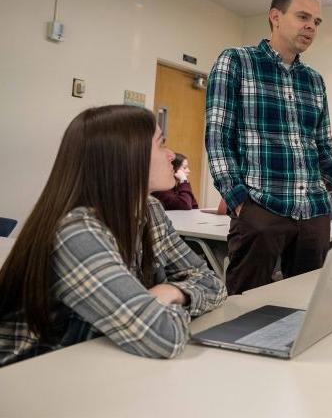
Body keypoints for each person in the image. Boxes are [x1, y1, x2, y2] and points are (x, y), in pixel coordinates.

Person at [0, 105, 227, 367]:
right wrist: (163, 304)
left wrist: (171, 291)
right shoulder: (78, 232)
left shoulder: (149, 209)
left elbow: (214, 283)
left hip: (93, 363)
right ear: (125, 158)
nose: (171, 154)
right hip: (28, 377)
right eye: (161, 144)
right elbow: (162, 336)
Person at [206, 0, 332, 294]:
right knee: (244, 308)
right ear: (275, 16)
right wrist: (238, 201)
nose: (311, 27)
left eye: (316, 22)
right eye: (303, 16)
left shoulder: (314, 81)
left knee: (305, 306)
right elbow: (217, 138)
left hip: (314, 213)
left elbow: (323, 153)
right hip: (262, 207)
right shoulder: (237, 61)